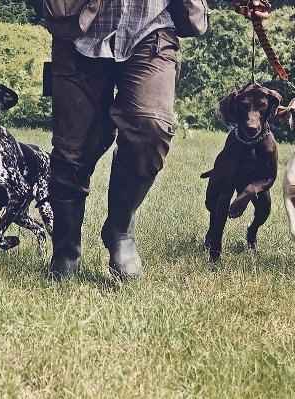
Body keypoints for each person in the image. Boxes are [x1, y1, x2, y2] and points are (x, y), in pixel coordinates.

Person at [45, 0, 271, 281]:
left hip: (151, 27)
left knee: (151, 129)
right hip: (77, 28)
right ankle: (66, 249)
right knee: (71, 148)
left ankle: (120, 230)